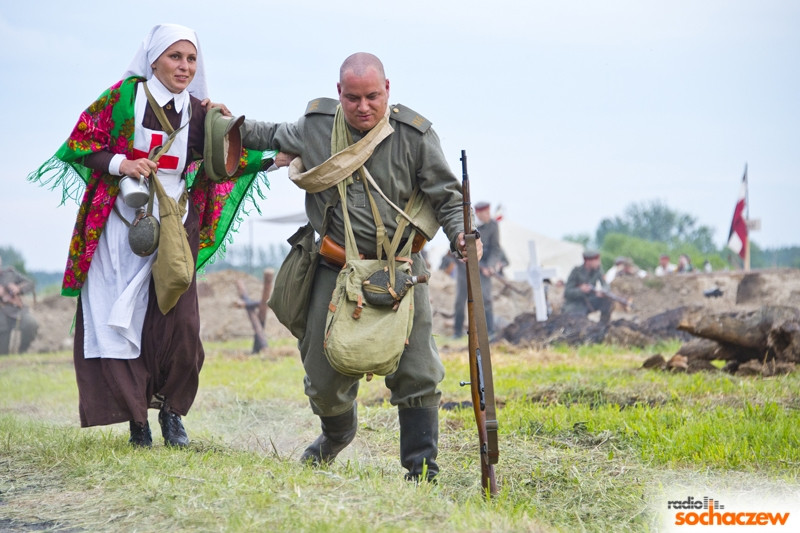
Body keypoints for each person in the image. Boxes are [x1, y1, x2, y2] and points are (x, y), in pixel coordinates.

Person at [28, 24, 273, 448]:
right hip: (121, 229)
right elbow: (80, 144)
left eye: (191, 59)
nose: (184, 66)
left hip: (175, 229)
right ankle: (137, 422)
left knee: (182, 326)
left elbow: (228, 161)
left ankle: (172, 415)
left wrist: (268, 153)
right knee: (122, 322)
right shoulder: (121, 99)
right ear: (153, 59)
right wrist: (123, 164)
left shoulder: (201, 113)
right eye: (175, 57)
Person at [238, 52, 480, 482]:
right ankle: (337, 434)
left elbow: (448, 197)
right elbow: (270, 134)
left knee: (418, 372)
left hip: (401, 273)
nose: (363, 107)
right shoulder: (316, 128)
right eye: (353, 98)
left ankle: (421, 471)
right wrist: (220, 121)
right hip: (334, 270)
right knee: (323, 381)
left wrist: (463, 235)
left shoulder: (415, 136)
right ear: (339, 94)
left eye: (372, 96)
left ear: (388, 89)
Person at [453, 201, 506, 339]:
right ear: (478, 213)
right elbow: (457, 247)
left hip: (485, 267)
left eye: (489, 212)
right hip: (465, 268)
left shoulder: (493, 226)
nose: (489, 215)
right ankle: (457, 332)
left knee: (486, 299)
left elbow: (495, 248)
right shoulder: (467, 225)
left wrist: (490, 265)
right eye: (486, 213)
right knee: (460, 300)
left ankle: (490, 332)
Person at [0, 257, 39, 355]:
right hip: (1, 315)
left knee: (31, 324)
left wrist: (18, 289)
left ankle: (22, 351)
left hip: (16, 310)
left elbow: (30, 284)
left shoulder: (10, 274)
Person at [562, 250, 613, 323]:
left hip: (590, 300)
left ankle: (603, 325)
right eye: (596, 260)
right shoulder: (576, 271)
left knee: (607, 301)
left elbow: (605, 284)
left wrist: (603, 292)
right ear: (588, 261)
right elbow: (567, 292)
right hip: (576, 303)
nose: (599, 262)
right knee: (578, 322)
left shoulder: (597, 270)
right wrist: (580, 290)